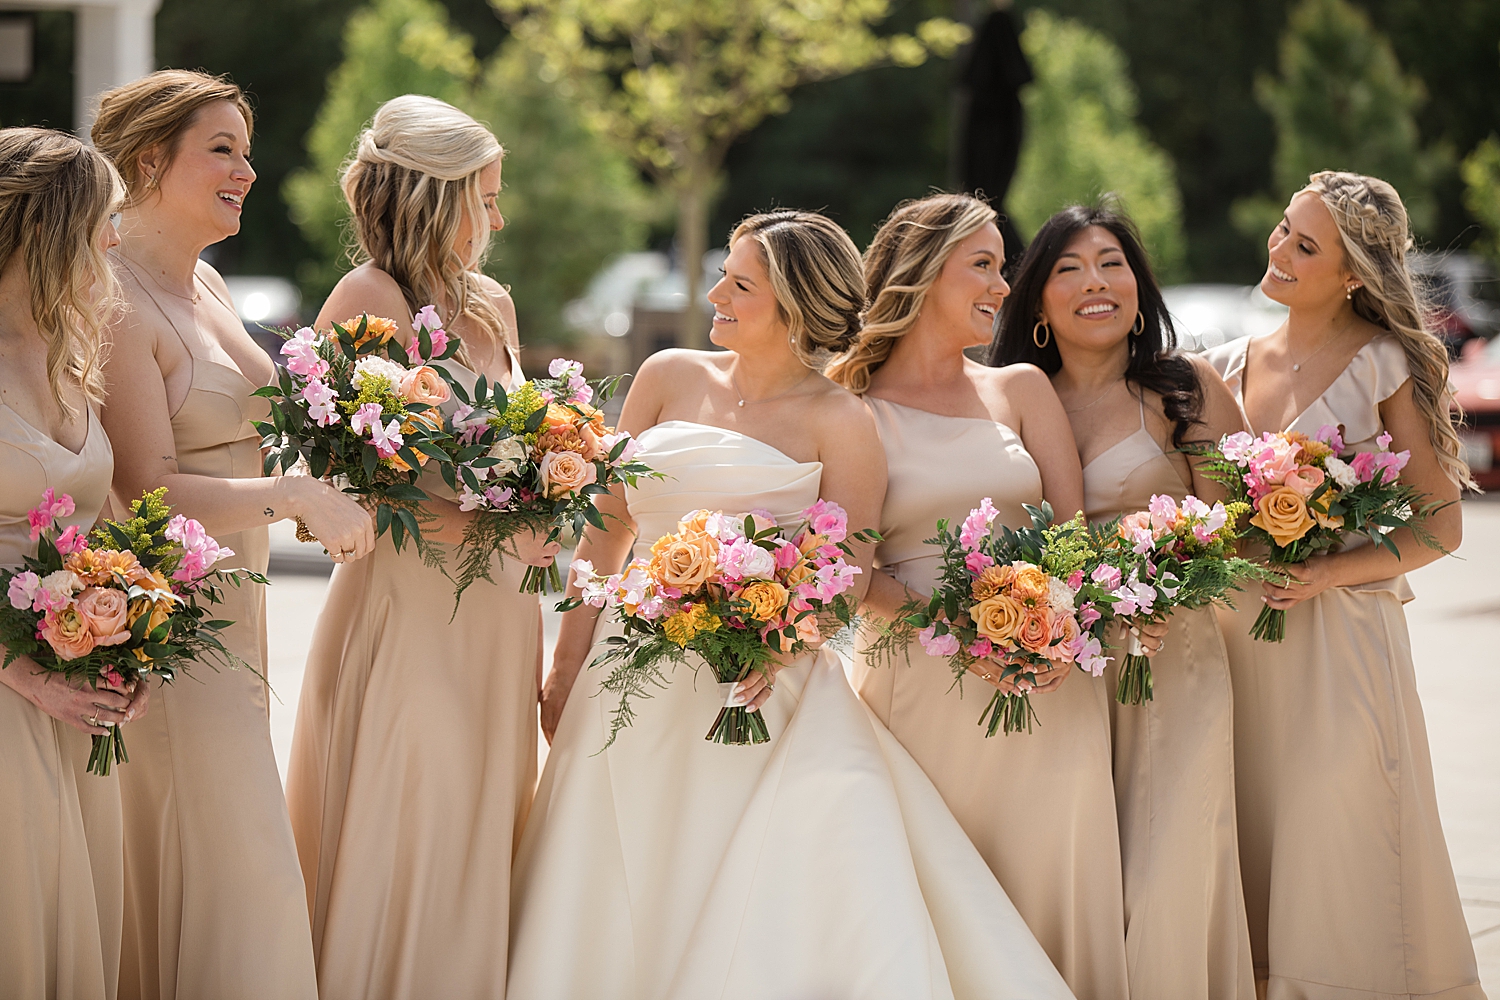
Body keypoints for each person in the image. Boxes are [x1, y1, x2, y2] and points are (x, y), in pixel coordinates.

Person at [511, 209, 1072, 1000]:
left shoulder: (842, 420)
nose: (716, 294)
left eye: (739, 284)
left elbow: (843, 575)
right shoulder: (667, 375)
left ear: (795, 305)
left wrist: (767, 645)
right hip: (627, 678)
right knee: (608, 885)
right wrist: (567, 665)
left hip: (765, 689)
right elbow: (603, 539)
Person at [92, 70, 368, 1000]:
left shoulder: (203, 279)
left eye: (246, 151)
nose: (246, 170)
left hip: (235, 619)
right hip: (165, 628)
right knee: (242, 868)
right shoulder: (114, 299)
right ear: (146, 161)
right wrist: (291, 495)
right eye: (222, 150)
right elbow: (143, 488)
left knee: (221, 867)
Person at [282, 94, 558, 999]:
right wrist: (495, 514)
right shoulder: (370, 300)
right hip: (410, 608)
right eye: (486, 196)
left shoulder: (494, 304)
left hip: (502, 613)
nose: (498, 217)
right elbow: (347, 476)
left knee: (481, 820)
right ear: (437, 199)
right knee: (411, 822)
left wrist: (555, 492)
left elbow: (527, 443)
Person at [830, 192, 1130, 999]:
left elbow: (1073, 537)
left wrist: (1049, 628)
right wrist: (961, 634)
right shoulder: (850, 408)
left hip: (1049, 687)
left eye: (1004, 266)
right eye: (985, 265)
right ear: (923, 274)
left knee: (1052, 880)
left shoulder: (1020, 389)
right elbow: (849, 572)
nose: (1005, 284)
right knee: (939, 896)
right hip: (920, 688)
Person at [1206, 171, 1482, 999]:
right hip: (1236, 647)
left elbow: (1439, 522)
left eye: (1306, 244)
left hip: (1341, 647)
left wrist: (1325, 570)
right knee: (1254, 831)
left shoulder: (1383, 362)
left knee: (1339, 836)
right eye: (1284, 229)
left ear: (1354, 272)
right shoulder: (1222, 365)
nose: (1279, 250)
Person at [989, 203, 1255, 999]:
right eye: (1068, 268)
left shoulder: (1187, 387)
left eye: (1113, 263)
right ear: (1036, 301)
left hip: (1172, 659)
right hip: (1056, 671)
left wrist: (1168, 568)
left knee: (1169, 859)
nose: (1095, 282)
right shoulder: (1006, 402)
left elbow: (1239, 529)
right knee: (1069, 870)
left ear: (1139, 286)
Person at [0, 125, 148, 1000]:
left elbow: (100, 520)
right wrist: (32, 676)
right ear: (56, 225)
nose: (117, 237)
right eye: (106, 217)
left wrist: (134, 617)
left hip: (70, 695)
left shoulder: (71, 349)